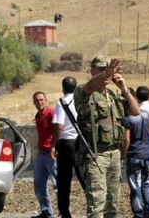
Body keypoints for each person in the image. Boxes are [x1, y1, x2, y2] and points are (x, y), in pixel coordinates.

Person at [74, 56, 140, 218]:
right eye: (101, 69)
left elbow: (135, 111)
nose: (106, 73)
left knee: (113, 203)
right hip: (96, 155)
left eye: (108, 70)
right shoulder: (84, 92)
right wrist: (106, 75)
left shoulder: (112, 95)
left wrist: (124, 89)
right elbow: (90, 85)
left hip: (114, 154)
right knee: (97, 202)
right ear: (92, 71)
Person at [122, 106, 149, 218]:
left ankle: (138, 213)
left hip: (134, 155)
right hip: (148, 155)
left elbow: (127, 139)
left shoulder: (128, 119)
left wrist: (123, 154)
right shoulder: (146, 114)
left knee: (135, 187)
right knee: (146, 184)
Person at [52, 76, 80, 218]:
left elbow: (59, 126)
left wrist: (53, 144)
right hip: (81, 143)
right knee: (85, 178)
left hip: (66, 144)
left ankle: (65, 213)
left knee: (63, 180)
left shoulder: (62, 102)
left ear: (63, 88)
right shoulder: (81, 101)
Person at [32, 91, 56, 218]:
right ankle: (47, 211)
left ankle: (65, 211)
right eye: (36, 100)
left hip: (52, 154)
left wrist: (55, 147)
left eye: (41, 100)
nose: (39, 102)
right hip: (41, 154)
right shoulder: (37, 116)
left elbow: (59, 130)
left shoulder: (51, 113)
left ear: (46, 100)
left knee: (58, 184)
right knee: (39, 184)